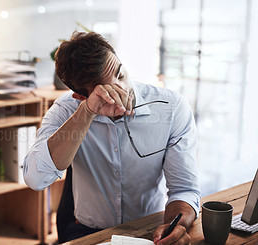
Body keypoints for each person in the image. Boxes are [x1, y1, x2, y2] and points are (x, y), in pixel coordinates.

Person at [23, 31, 200, 245]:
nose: (124, 91)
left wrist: (176, 226)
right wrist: (86, 112)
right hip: (87, 233)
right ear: (81, 97)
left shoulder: (171, 108)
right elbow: (35, 178)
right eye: (108, 91)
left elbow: (184, 189)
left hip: (150, 229)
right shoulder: (66, 110)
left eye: (120, 74)